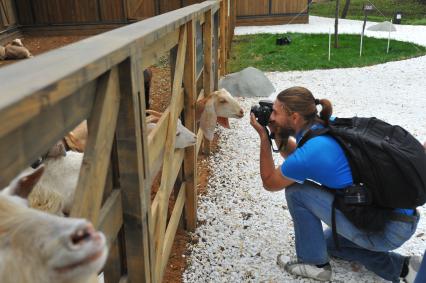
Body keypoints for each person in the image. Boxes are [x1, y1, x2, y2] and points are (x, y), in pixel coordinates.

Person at [250, 86, 422, 282]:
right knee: (327, 243)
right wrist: (278, 133)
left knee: (296, 191)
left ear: (295, 118)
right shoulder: (324, 125)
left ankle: (315, 264)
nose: (270, 116)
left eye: (275, 112)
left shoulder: (311, 152)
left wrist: (264, 138)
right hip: (397, 218)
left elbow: (270, 182)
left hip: (385, 230)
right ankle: (405, 268)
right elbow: (297, 158)